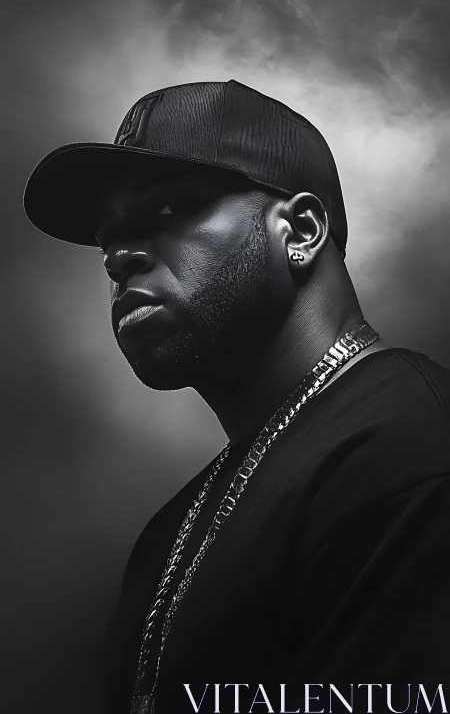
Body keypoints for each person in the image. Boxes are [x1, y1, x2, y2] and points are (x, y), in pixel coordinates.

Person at [24, 80, 450, 714]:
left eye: (166, 210)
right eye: (106, 237)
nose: (118, 256)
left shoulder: (409, 449)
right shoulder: (165, 533)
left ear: (300, 230)